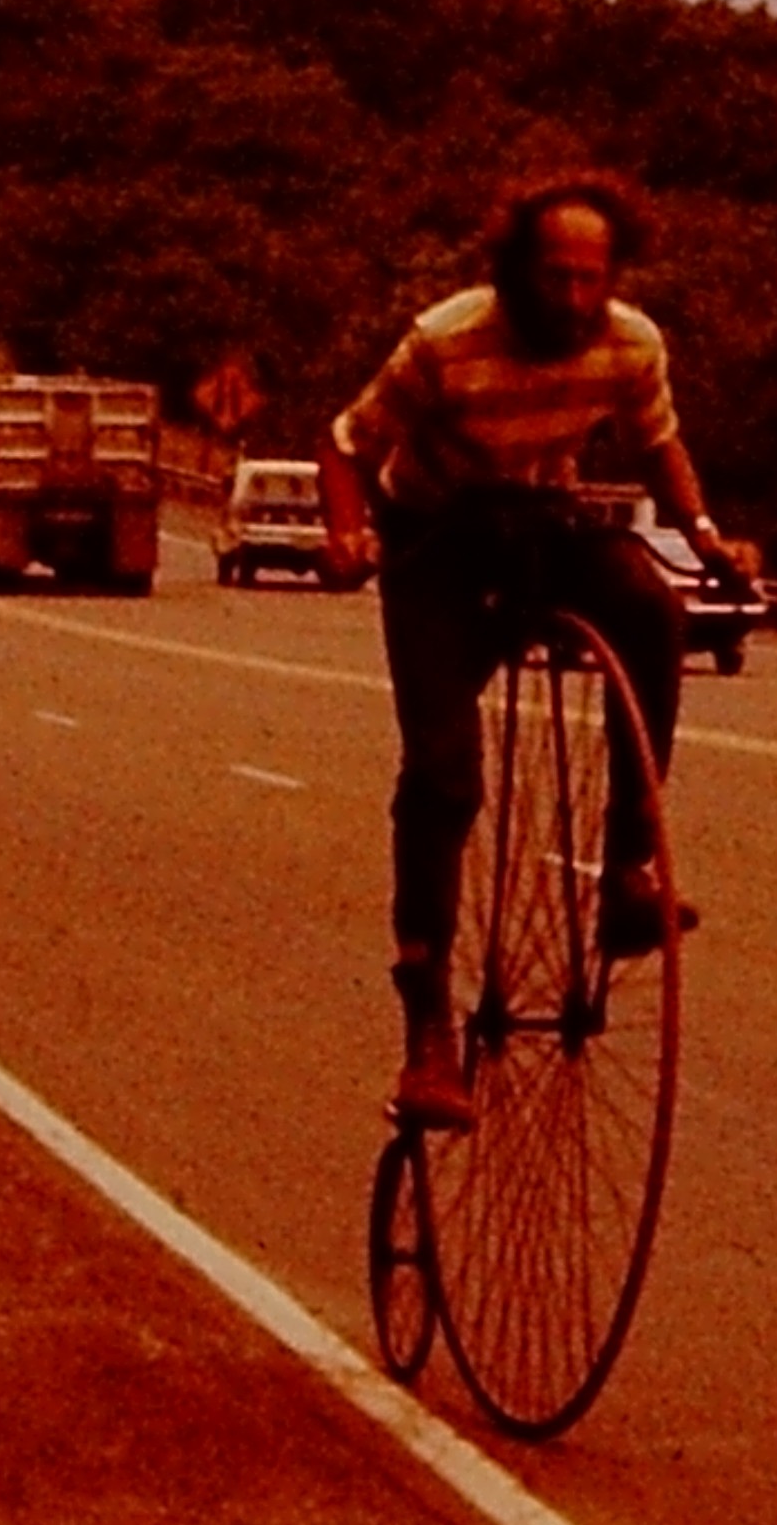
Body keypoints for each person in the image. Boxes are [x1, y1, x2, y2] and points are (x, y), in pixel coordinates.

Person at [323, 181, 753, 1131]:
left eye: (588, 281)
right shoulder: (445, 341)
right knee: (443, 775)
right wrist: (348, 536)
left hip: (538, 522)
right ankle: (428, 1035)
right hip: (439, 538)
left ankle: (628, 876)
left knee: (649, 607)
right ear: (516, 271)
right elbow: (347, 443)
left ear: (611, 280)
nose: (570, 299)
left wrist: (708, 534)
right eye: (553, 277)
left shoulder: (630, 344)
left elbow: (658, 446)